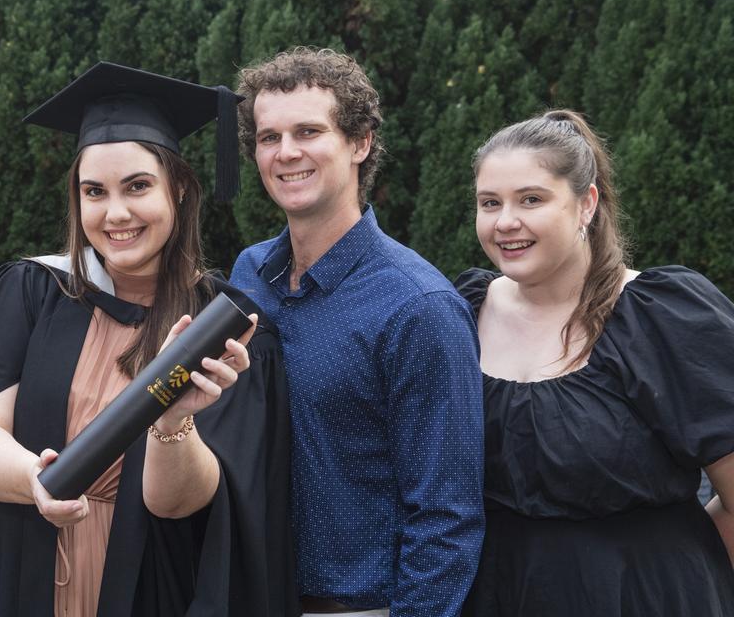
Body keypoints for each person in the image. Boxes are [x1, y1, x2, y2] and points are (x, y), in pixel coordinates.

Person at [0, 62, 295, 616]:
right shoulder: (33, 291)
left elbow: (180, 504)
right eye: (94, 191)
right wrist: (33, 479)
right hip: (19, 579)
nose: (115, 213)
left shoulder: (224, 328)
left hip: (145, 590)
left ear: (178, 189)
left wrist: (173, 420)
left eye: (137, 186)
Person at [229, 47, 484, 617]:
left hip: (360, 606)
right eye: (269, 137)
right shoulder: (250, 276)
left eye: (308, 131)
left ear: (360, 142)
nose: (286, 152)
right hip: (251, 590)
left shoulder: (419, 307)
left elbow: (447, 516)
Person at [454, 110, 734, 616]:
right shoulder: (460, 311)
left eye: (532, 199)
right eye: (489, 203)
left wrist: (683, 575)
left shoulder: (661, 315)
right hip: (493, 597)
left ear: (587, 204)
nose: (505, 222)